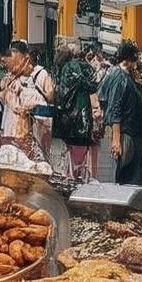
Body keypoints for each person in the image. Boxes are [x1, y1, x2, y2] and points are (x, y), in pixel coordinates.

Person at [0, 39, 56, 162]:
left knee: (37, 159)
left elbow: (51, 98)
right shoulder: (12, 78)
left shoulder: (41, 74)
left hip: (37, 129)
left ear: (26, 58)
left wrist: (32, 105)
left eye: (16, 62)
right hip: (13, 130)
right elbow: (5, 100)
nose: (13, 66)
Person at [104, 39, 142, 186]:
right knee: (128, 175)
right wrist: (116, 140)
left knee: (133, 175)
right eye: (135, 58)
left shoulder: (127, 76)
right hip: (128, 133)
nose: (137, 62)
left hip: (136, 132)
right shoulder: (120, 77)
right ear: (129, 59)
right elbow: (114, 109)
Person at [52, 43, 101, 180]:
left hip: (68, 118)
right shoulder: (87, 68)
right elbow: (93, 88)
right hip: (83, 118)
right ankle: (80, 176)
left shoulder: (64, 68)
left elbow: (61, 93)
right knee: (82, 152)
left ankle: (70, 176)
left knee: (72, 151)